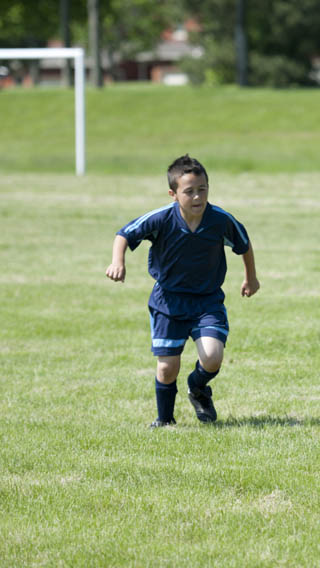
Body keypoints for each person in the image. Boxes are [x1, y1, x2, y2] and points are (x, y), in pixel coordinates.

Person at [106, 155, 259, 427]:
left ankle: (197, 387)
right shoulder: (161, 218)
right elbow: (124, 234)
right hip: (168, 302)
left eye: (203, 189)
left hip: (207, 301)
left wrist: (251, 278)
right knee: (167, 368)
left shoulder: (219, 220)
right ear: (173, 194)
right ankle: (165, 421)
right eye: (189, 191)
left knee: (212, 357)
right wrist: (118, 261)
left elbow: (243, 244)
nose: (197, 196)